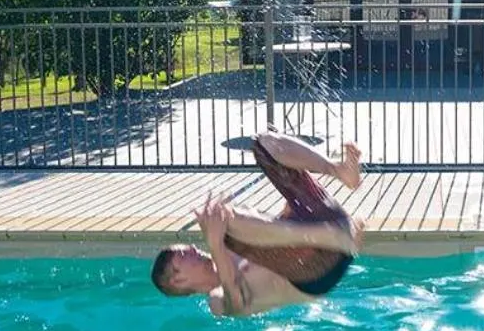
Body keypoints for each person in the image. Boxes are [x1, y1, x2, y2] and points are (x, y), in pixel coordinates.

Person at [150, 132, 364, 317]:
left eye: (192, 250)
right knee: (227, 223)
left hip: (328, 236)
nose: (197, 250)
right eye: (188, 256)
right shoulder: (216, 300)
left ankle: (338, 170)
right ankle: (329, 235)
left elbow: (277, 233)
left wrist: (293, 197)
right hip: (318, 274)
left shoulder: (232, 249)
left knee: (265, 143)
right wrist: (215, 243)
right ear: (178, 281)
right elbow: (235, 305)